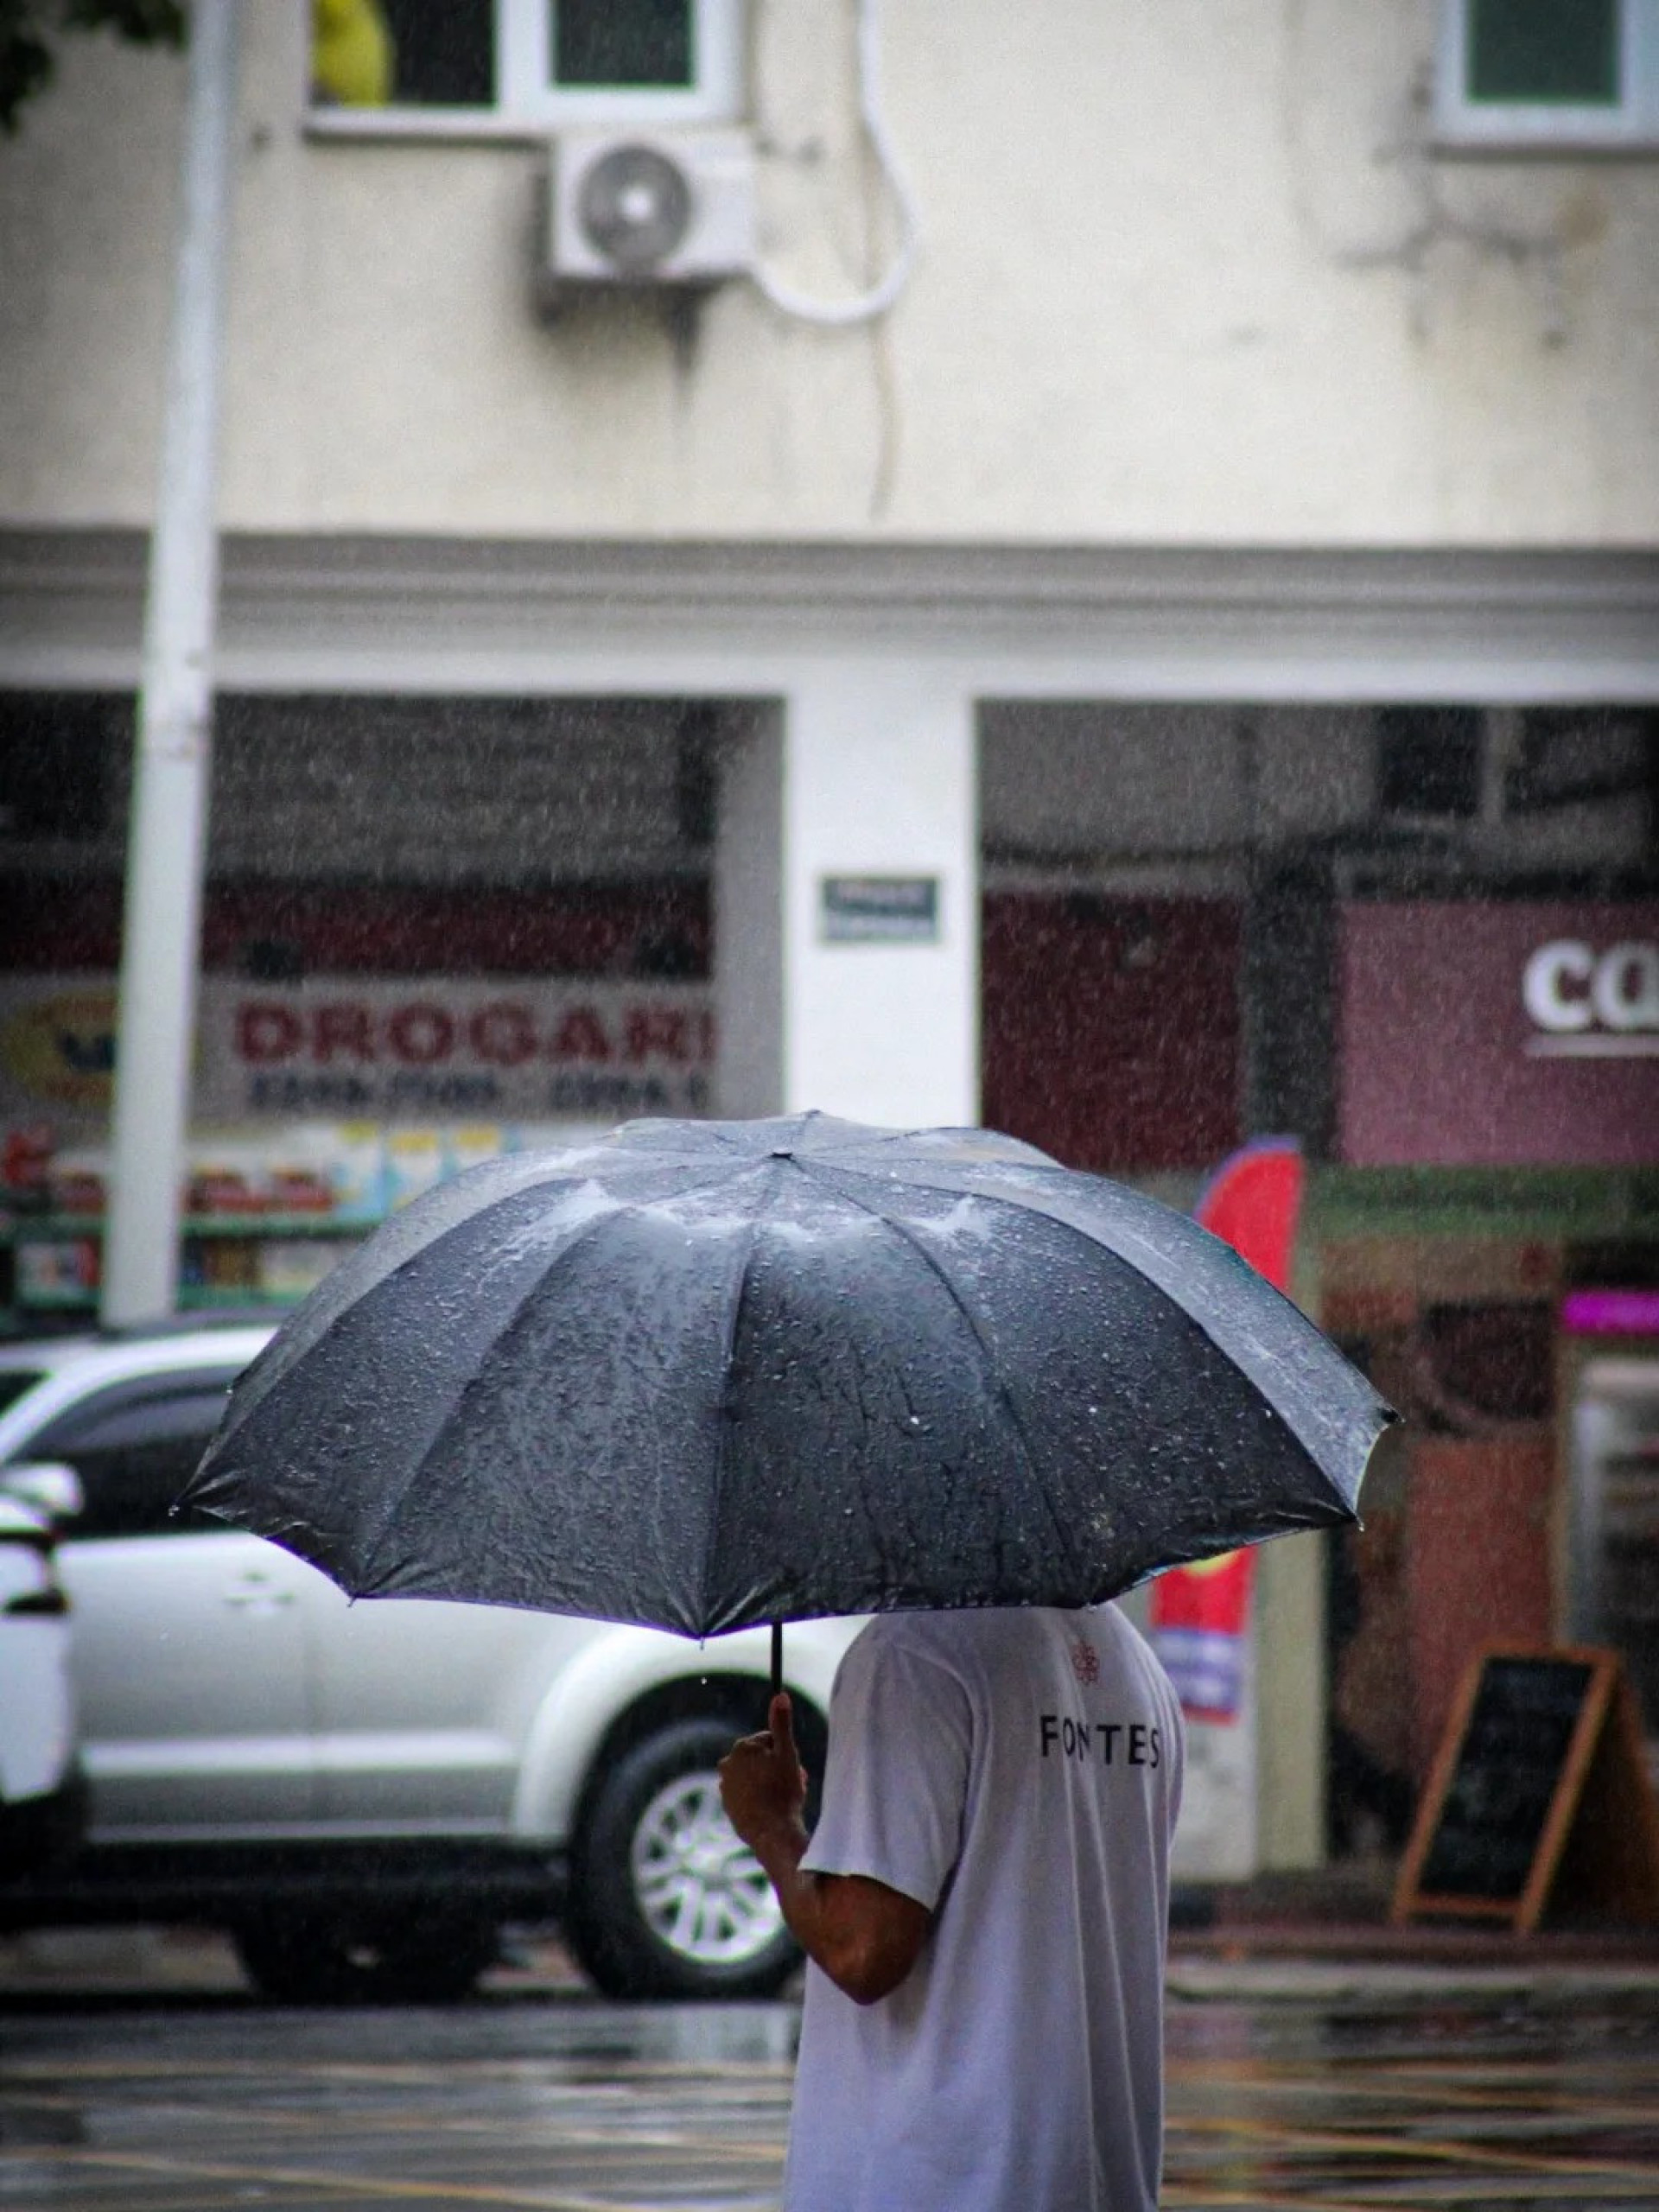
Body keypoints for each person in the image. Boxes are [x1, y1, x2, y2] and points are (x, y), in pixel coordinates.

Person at [719, 1602, 1185, 2212]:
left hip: (940, 2184)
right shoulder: (1138, 1672)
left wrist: (772, 1827)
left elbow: (862, 1949)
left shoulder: (915, 1655)